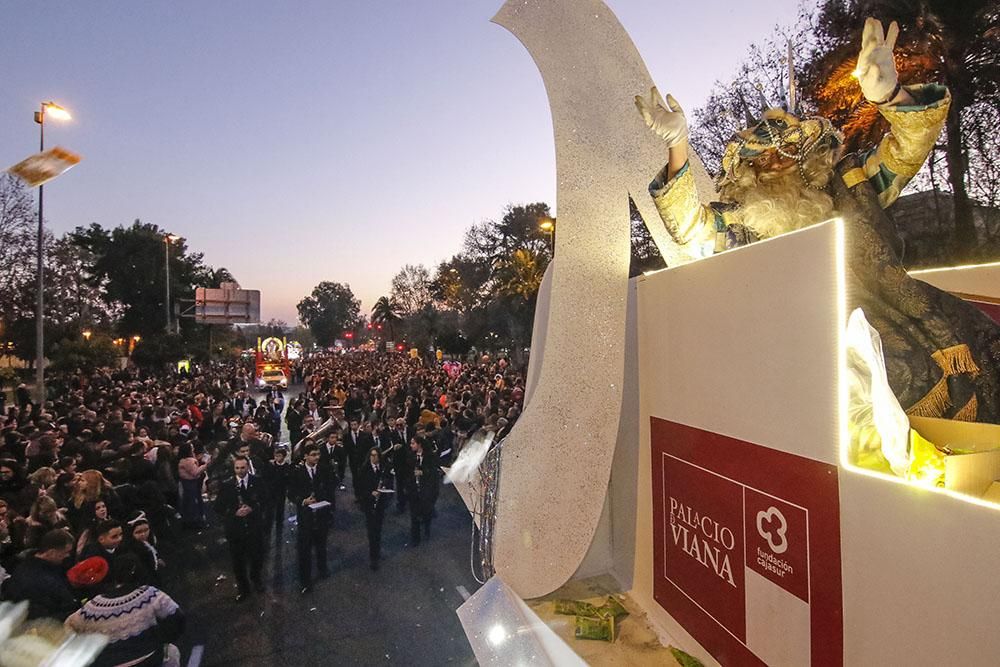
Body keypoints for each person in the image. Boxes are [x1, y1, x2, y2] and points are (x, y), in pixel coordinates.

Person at [635, 17, 1000, 422]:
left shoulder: (851, 184)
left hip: (885, 312)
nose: (775, 165)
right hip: (790, 338)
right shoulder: (739, 223)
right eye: (762, 161)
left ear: (808, 156)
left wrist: (890, 96)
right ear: (746, 172)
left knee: (977, 336)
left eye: (787, 154)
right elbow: (688, 228)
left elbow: (906, 151)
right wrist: (678, 147)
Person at [65, 553, 185, 667]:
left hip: (108, 663)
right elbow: (177, 618)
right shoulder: (149, 594)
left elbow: (69, 627)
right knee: (171, 651)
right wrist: (158, 639)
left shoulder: (92, 606)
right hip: (148, 658)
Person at [213, 455, 265, 600]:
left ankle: (256, 579)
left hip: (253, 527)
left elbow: (265, 499)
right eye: (237, 468)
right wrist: (234, 512)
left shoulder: (257, 481)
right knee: (238, 561)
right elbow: (218, 507)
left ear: (248, 467)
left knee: (256, 556)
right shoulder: (227, 485)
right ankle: (243, 588)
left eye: (243, 468)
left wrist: (252, 508)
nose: (240, 471)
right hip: (235, 530)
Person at [287, 444, 335, 593]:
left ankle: (322, 568)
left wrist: (324, 496)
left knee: (321, 544)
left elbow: (332, 484)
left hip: (321, 514)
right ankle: (305, 580)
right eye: (313, 455)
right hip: (306, 516)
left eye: (318, 454)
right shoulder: (297, 473)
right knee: (304, 549)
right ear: (305, 456)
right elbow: (291, 493)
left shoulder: (324, 469)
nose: (316, 457)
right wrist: (303, 500)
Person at [1, 528, 78, 620]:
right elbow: (43, 616)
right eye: (66, 552)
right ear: (51, 552)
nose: (68, 556)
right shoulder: (38, 579)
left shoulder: (28, 564)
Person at [356, 447, 390, 570]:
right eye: (372, 455)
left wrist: (384, 490)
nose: (374, 458)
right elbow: (360, 488)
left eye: (376, 455)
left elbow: (389, 482)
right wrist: (371, 493)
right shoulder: (364, 470)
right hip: (369, 504)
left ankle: (376, 551)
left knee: (378, 529)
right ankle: (373, 557)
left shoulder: (383, 468)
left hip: (380, 504)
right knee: (372, 531)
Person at [405, 437, 439, 546]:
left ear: (419, 444)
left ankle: (427, 528)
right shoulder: (410, 456)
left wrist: (423, 472)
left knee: (426, 512)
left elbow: (434, 472)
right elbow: (406, 471)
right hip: (414, 490)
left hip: (426, 490)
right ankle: (415, 538)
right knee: (414, 515)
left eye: (413, 443)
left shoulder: (430, 456)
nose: (411, 446)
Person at [176, 441, 207, 528]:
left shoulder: (182, 460)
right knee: (193, 502)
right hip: (190, 483)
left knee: (188, 502)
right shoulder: (188, 461)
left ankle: (189, 520)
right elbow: (195, 472)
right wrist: (205, 466)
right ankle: (196, 521)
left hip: (187, 483)